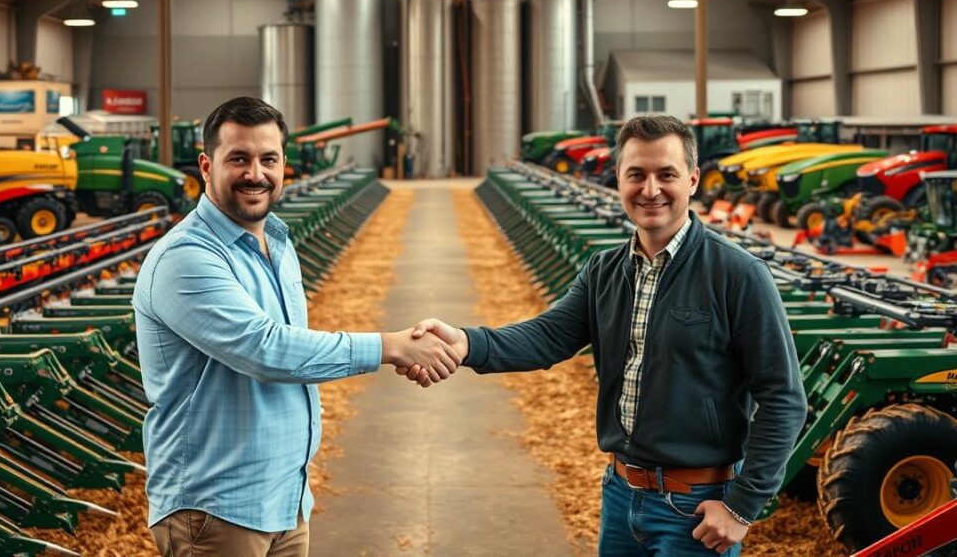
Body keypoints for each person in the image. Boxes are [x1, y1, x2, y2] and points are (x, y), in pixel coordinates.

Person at [400, 114, 806, 556]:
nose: (650, 190)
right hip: (621, 493)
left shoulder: (738, 274)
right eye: (637, 175)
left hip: (695, 506)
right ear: (618, 179)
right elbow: (548, 336)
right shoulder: (605, 270)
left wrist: (742, 506)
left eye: (666, 174)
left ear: (692, 180)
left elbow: (783, 397)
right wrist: (465, 342)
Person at [133, 97, 459, 557]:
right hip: (216, 511)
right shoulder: (185, 257)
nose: (255, 174)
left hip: (286, 501)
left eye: (268, 159)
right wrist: (392, 347)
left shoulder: (278, 244)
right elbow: (266, 350)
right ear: (206, 166)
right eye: (238, 159)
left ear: (285, 163)